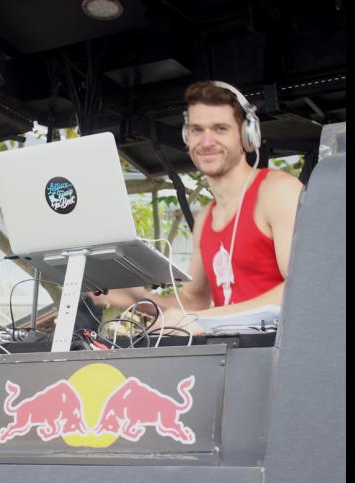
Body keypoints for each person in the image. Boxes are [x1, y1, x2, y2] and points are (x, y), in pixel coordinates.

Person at [89, 80, 303, 335]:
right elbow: (192, 302)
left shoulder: (277, 191)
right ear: (187, 137)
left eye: (220, 129)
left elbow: (302, 287)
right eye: (197, 130)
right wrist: (139, 299)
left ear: (247, 136)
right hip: (233, 354)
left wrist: (199, 319)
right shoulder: (205, 218)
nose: (207, 141)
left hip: (285, 351)